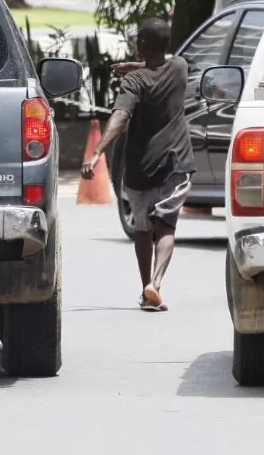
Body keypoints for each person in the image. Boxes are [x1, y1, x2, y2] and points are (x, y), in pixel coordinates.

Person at [81, 18, 196, 312]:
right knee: (166, 225)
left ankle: (147, 290)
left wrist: (97, 153)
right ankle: (155, 284)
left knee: (143, 229)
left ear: (142, 45)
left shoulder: (135, 82)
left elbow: (119, 118)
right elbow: (162, 64)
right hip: (175, 163)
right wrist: (136, 64)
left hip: (139, 167)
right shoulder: (180, 68)